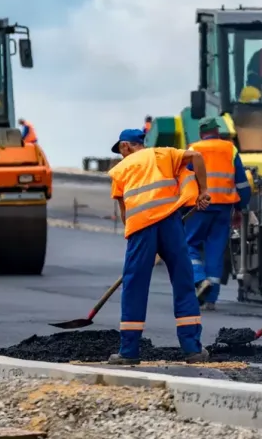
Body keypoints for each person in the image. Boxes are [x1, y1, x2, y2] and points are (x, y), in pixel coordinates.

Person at [107, 128, 211, 365]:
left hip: (141, 229)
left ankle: (129, 351)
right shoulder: (163, 154)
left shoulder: (121, 169)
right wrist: (203, 190)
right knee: (184, 282)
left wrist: (139, 246)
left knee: (134, 286)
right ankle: (193, 349)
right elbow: (196, 157)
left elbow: (125, 213)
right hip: (171, 223)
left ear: (125, 146)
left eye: (121, 150)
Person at [184, 118, 252, 311]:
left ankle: (199, 279)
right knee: (215, 250)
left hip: (199, 206)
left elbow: (185, 179)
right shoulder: (230, 149)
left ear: (201, 133)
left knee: (189, 244)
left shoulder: (193, 148)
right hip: (224, 207)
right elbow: (242, 184)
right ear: (217, 131)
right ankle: (211, 299)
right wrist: (240, 208)